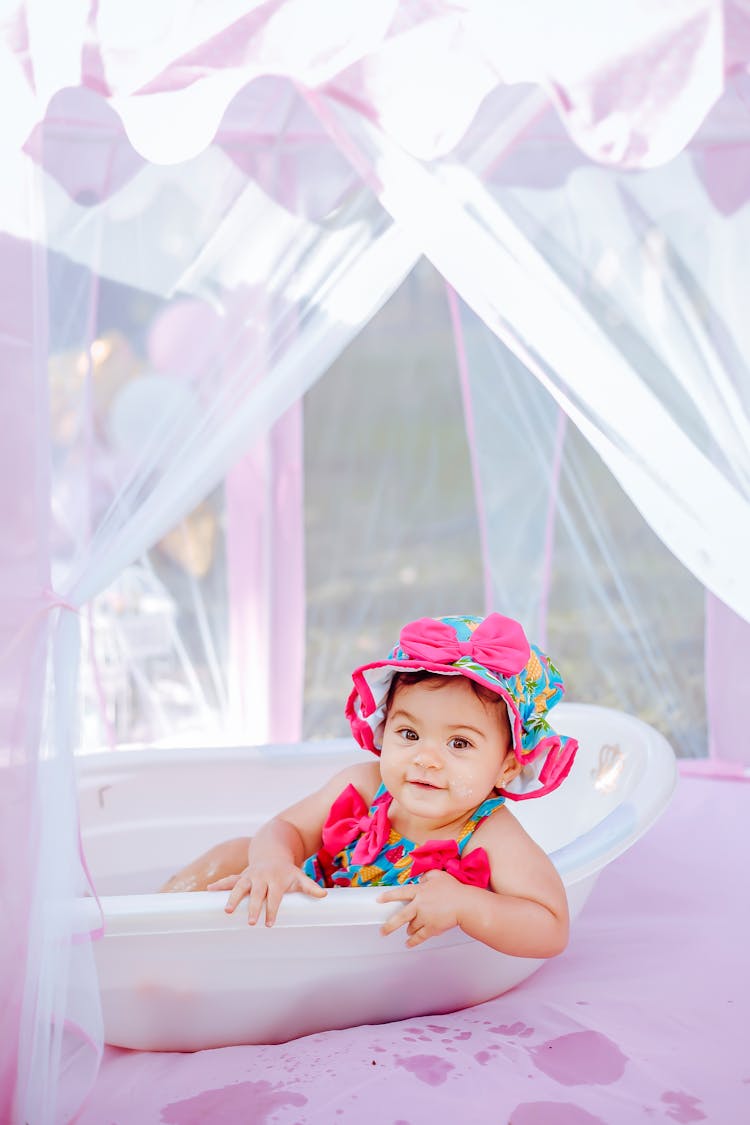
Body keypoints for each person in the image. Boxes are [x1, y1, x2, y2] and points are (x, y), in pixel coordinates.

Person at [162, 612, 578, 957]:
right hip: (296, 921)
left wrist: (470, 906)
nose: (425, 758)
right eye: (410, 734)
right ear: (384, 728)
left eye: (459, 743)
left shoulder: (489, 834)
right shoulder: (364, 786)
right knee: (236, 852)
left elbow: (551, 926)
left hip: (362, 961)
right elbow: (285, 829)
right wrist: (273, 862)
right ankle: (152, 927)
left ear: (507, 766)